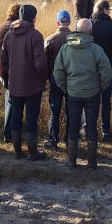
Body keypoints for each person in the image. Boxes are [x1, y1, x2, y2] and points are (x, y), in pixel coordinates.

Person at [53, 18, 112, 169]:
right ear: (90, 31)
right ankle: (92, 163)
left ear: (76, 30)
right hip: (92, 93)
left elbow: (58, 72)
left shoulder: (65, 49)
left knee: (73, 125)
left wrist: (66, 88)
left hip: (73, 93)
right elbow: (106, 73)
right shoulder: (96, 49)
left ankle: (71, 161)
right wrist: (100, 87)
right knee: (91, 126)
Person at [0, 4, 49, 160]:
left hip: (14, 84)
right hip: (33, 85)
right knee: (31, 118)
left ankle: (17, 151)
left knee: (16, 116)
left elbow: (3, 60)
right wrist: (44, 78)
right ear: (34, 18)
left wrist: (9, 77)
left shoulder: (9, 35)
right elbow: (40, 64)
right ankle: (33, 152)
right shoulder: (36, 36)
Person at [90, 0, 112, 141]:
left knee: (90, 100)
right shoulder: (111, 26)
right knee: (105, 101)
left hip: (89, 69)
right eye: (109, 9)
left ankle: (88, 129)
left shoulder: (88, 24)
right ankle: (106, 131)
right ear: (104, 9)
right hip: (106, 69)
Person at [0, 3, 20, 143]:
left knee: (11, 98)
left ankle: (10, 132)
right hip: (15, 71)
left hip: (1, 72)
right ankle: (9, 134)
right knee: (13, 101)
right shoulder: (19, 30)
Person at [44, 10, 72, 149]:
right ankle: (70, 140)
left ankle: (52, 140)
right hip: (72, 80)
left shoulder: (50, 39)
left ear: (57, 22)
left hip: (55, 79)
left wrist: (47, 78)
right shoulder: (75, 39)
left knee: (54, 111)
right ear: (70, 22)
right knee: (71, 111)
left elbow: (44, 62)